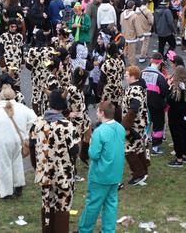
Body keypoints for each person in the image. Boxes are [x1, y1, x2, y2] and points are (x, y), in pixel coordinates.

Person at [29, 90, 80, 232]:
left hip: (44, 173)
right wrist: (72, 167)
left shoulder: (37, 123)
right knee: (63, 206)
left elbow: (32, 147)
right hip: (63, 174)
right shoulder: (67, 125)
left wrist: (37, 167)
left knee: (47, 204)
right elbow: (74, 150)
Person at [78, 101, 125, 233]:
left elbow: (94, 154)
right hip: (115, 174)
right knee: (111, 204)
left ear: (102, 113)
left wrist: (91, 144)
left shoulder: (99, 132)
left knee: (93, 204)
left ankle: (85, 230)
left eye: (97, 111)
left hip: (100, 175)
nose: (96, 114)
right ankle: (108, 230)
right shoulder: (120, 128)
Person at [0, 84, 37, 199]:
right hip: (18, 141)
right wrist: (26, 134)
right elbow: (34, 120)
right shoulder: (22, 108)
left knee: (4, 167)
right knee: (17, 164)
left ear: (0, 96)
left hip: (2, 144)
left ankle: (6, 192)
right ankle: (18, 187)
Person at [122, 65, 149, 185]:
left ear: (133, 76)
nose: (125, 77)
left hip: (134, 126)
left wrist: (125, 127)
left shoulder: (134, 90)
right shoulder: (139, 88)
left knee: (128, 149)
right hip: (139, 124)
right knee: (138, 147)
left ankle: (139, 174)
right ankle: (143, 170)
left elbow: (133, 109)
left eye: (127, 75)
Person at [141, 53, 169, 155]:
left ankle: (143, 143)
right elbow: (165, 91)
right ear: (160, 63)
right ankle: (155, 148)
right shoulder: (160, 76)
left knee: (145, 123)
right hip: (157, 104)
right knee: (158, 125)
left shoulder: (142, 73)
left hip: (143, 103)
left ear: (151, 61)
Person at [166, 65, 186, 168]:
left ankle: (179, 159)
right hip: (185, 114)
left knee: (176, 136)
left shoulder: (175, 87)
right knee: (185, 134)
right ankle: (185, 155)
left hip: (174, 115)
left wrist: (168, 86)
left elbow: (168, 100)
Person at [99, 42, 125, 121]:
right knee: (117, 107)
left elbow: (102, 80)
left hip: (108, 91)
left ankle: (108, 122)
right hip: (119, 88)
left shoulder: (106, 64)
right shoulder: (121, 61)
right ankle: (118, 122)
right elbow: (122, 73)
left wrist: (99, 92)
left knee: (107, 109)